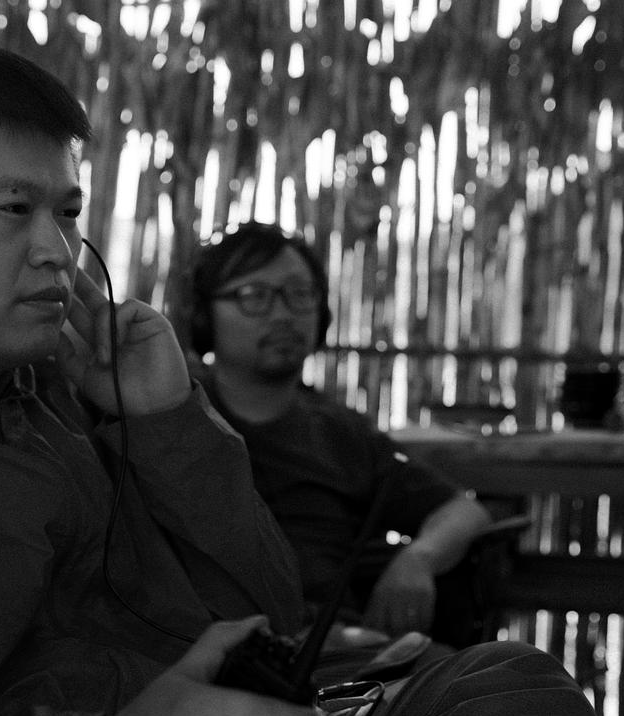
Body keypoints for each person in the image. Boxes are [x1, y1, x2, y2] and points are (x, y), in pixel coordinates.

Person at [0, 40, 595, 716]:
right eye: (15, 208)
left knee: (512, 684)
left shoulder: (55, 403)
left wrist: (167, 417)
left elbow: (266, 613)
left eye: (68, 212)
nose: (57, 251)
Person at [189, 222, 493, 642]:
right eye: (255, 296)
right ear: (204, 316)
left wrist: (418, 559)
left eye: (300, 294)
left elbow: (463, 512)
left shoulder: (339, 433)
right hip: (204, 651)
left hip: (334, 651)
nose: (283, 314)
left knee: (511, 668)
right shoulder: (172, 417)